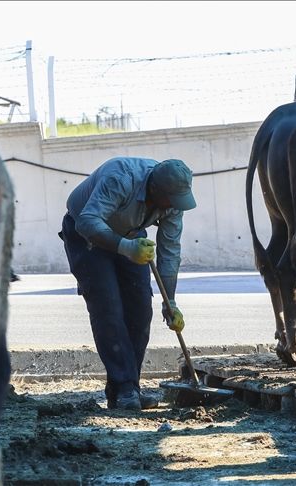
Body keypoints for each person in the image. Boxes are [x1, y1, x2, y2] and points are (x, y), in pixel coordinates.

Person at [60, 157, 197, 410]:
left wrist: (171, 300)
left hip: (131, 233)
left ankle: (127, 389)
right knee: (108, 308)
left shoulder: (173, 202)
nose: (174, 208)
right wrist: (126, 248)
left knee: (141, 309)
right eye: (171, 202)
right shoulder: (121, 178)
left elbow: (169, 252)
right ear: (155, 191)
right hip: (86, 234)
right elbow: (88, 221)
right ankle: (125, 388)